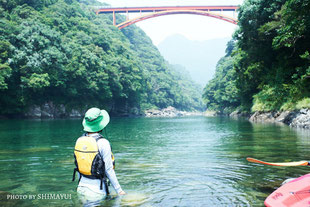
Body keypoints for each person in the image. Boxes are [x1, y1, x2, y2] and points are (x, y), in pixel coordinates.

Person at [73, 107, 126, 205]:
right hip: (96, 192)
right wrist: (119, 191)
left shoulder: (79, 140)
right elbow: (109, 170)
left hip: (81, 188)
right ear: (101, 125)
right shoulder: (103, 143)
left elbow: (80, 167)